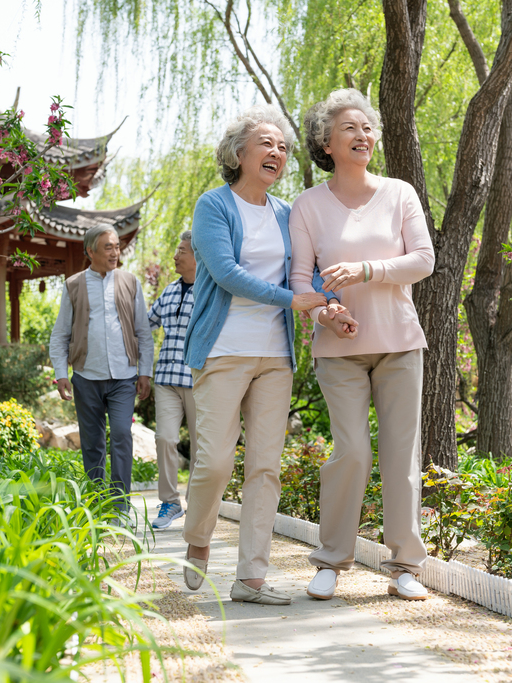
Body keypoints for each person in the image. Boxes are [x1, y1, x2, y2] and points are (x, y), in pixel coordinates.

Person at [289, 88, 436, 601]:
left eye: (367, 128)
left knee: (402, 456)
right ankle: (332, 559)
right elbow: (300, 282)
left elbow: (423, 260)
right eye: (350, 128)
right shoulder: (307, 206)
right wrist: (326, 313)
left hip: (399, 343)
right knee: (351, 452)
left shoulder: (400, 193)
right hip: (337, 350)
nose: (363, 135)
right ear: (325, 143)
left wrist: (367, 269)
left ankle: (404, 567)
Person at [181, 104, 329, 605]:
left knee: (266, 466)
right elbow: (224, 272)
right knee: (215, 462)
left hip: (275, 357)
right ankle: (198, 539)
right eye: (267, 143)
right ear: (239, 153)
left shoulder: (288, 214)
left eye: (283, 148)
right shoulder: (213, 206)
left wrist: (332, 300)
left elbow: (306, 276)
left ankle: (251, 579)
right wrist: (294, 299)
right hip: (223, 351)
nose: (277, 153)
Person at [49, 225, 154, 523]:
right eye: (107, 247)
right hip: (86, 376)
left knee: (121, 434)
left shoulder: (130, 282)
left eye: (117, 246)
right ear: (90, 252)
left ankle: (120, 507)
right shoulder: (73, 285)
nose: (115, 252)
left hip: (123, 377)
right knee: (93, 443)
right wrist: (61, 374)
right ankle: (97, 506)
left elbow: (143, 332)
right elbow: (60, 335)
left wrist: (144, 372)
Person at [147, 231, 198, 529]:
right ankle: (170, 502)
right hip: (166, 377)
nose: (176, 256)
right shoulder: (168, 291)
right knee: (165, 437)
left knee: (201, 447)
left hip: (199, 379)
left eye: (182, 251)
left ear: (197, 257)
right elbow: (144, 323)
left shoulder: (210, 291)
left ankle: (198, 504)